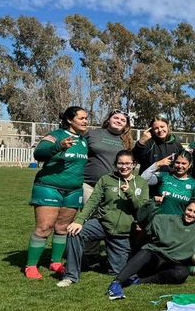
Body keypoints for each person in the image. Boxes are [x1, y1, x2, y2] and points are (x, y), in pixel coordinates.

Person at [56, 150, 149, 287]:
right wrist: (79, 221)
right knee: (75, 233)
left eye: (128, 164)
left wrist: (129, 193)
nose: (124, 167)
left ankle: (109, 260)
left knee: (118, 272)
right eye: (120, 163)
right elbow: (93, 201)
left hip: (122, 233)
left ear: (134, 164)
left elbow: (142, 208)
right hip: (102, 224)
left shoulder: (141, 183)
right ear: (115, 164)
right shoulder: (106, 179)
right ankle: (70, 276)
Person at [24, 106, 89, 280]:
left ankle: (56, 262)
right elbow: (39, 153)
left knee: (62, 229)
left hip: (74, 190)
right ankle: (30, 266)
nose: (85, 121)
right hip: (49, 187)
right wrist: (59, 147)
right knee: (44, 228)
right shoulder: (57, 135)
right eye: (81, 118)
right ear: (69, 120)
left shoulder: (84, 141)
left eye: (86, 118)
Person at [106, 199, 195, 299]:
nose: (190, 214)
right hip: (156, 257)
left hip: (173, 264)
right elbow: (144, 219)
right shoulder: (168, 219)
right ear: (185, 209)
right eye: (189, 210)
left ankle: (139, 281)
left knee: (182, 273)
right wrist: (153, 204)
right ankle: (116, 283)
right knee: (145, 252)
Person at [80, 109, 133, 264]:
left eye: (123, 120)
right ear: (108, 119)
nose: (118, 121)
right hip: (89, 184)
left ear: (126, 125)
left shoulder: (126, 140)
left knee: (110, 217)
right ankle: (90, 254)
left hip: (113, 185)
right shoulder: (93, 134)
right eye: (116, 117)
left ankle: (113, 254)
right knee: (91, 216)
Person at [141, 150, 195, 215]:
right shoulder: (164, 176)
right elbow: (143, 179)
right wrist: (157, 164)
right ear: (173, 163)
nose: (180, 166)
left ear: (189, 165)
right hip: (159, 221)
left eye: (184, 163)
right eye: (177, 162)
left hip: (178, 223)